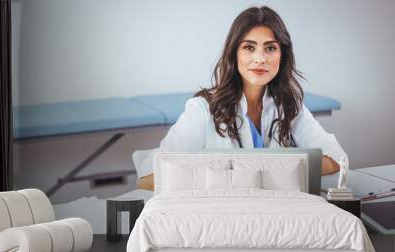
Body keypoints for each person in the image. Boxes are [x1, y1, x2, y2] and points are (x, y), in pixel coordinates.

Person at [138, 6, 346, 191]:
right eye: (249, 47)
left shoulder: (289, 107)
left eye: (270, 48)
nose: (260, 58)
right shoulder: (202, 109)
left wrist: (257, 170)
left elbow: (337, 159)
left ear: (282, 56)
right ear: (234, 53)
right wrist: (258, 173)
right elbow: (148, 177)